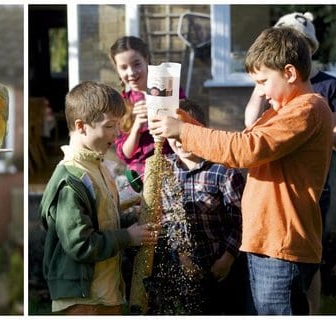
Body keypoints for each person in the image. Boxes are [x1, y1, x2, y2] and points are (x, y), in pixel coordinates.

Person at [149, 27, 333, 315]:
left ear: (289, 73)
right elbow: (238, 144)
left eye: (262, 82)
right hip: (267, 245)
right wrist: (183, 122)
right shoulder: (281, 111)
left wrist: (184, 130)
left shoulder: (306, 109)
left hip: (281, 249)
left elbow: (245, 149)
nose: (258, 91)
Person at [243, 12, 336, 314]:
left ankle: (313, 308)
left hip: (300, 196)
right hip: (270, 215)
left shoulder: (320, 93)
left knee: (302, 268)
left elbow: (250, 147)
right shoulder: (272, 89)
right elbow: (251, 131)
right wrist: (262, 89)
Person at [39, 81, 158, 315]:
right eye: (110, 126)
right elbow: (81, 244)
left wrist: (133, 222)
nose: (117, 133)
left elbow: (103, 224)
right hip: (82, 300)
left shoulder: (100, 168)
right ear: (81, 126)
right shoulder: (71, 180)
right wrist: (127, 237)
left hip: (106, 293)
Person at [145, 99, 248, 315]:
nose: (178, 142)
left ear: (200, 132)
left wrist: (227, 259)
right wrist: (183, 256)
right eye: (172, 136)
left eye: (183, 134)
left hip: (224, 265)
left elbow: (241, 220)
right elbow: (169, 218)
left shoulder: (224, 171)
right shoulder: (166, 169)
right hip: (184, 265)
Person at [109, 36, 186, 180]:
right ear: (117, 69)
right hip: (140, 177)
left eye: (136, 64)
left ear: (147, 60)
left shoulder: (169, 88)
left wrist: (162, 109)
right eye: (124, 67)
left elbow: (187, 127)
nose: (131, 72)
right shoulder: (121, 104)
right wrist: (136, 128)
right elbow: (125, 155)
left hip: (173, 170)